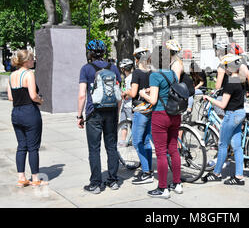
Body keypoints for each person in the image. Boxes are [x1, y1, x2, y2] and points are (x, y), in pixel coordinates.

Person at [138, 44, 183, 199]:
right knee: (173, 149)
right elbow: (168, 89)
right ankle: (177, 183)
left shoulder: (154, 75)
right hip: (175, 114)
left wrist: (143, 94)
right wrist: (153, 89)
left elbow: (154, 99)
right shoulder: (173, 74)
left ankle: (163, 187)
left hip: (160, 115)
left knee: (161, 152)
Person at [77, 39, 122, 194]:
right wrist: (117, 113)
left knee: (94, 149)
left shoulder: (86, 69)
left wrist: (79, 116)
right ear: (103, 53)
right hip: (111, 112)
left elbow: (82, 95)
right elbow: (119, 94)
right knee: (111, 146)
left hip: (93, 112)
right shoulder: (113, 68)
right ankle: (113, 180)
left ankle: (96, 184)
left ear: (89, 53)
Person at [201, 54, 246, 185]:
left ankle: (216, 173)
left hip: (231, 115)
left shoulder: (230, 83)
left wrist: (208, 98)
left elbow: (222, 105)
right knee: (237, 146)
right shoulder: (240, 80)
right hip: (240, 113)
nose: (224, 69)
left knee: (222, 145)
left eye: (225, 66)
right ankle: (239, 176)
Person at [6, 50, 45, 188]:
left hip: (16, 113)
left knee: (21, 146)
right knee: (33, 147)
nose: (34, 61)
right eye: (32, 59)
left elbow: (10, 97)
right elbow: (33, 95)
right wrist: (41, 100)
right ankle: (35, 178)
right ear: (26, 61)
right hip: (29, 112)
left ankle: (21, 178)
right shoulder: (29, 74)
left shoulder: (11, 76)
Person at [121, 48, 154, 185]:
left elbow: (134, 93)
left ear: (136, 60)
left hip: (140, 110)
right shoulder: (152, 72)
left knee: (136, 141)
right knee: (146, 141)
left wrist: (125, 93)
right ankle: (149, 170)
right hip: (150, 109)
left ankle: (146, 172)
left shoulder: (137, 73)